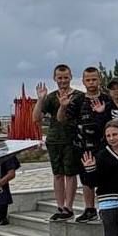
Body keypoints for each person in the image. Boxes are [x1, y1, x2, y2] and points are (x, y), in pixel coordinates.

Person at [33, 65, 81, 221]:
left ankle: (69, 206)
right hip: (54, 139)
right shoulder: (51, 97)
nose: (63, 81)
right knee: (58, 174)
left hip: (72, 138)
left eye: (65, 77)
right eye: (60, 78)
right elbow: (36, 118)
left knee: (70, 173)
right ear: (55, 78)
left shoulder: (79, 96)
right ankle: (60, 206)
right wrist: (40, 99)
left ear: (71, 77)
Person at [67, 67, 112, 223]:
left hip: (104, 145)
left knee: (104, 177)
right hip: (83, 146)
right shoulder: (78, 100)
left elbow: (112, 121)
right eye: (88, 80)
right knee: (86, 178)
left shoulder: (107, 99)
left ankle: (104, 208)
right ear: (83, 81)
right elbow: (65, 120)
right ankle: (89, 208)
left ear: (99, 80)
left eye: (94, 79)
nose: (91, 82)